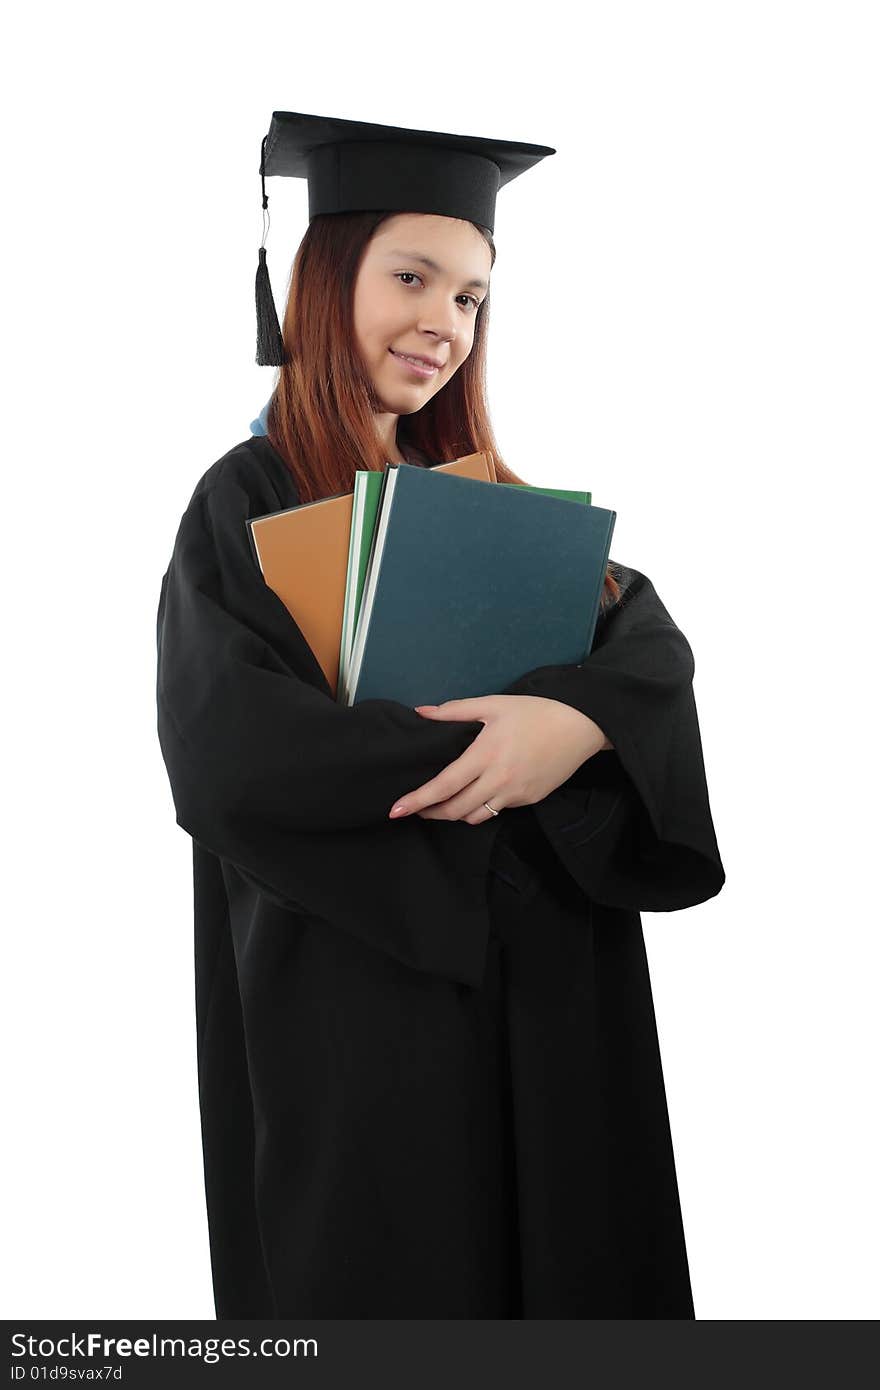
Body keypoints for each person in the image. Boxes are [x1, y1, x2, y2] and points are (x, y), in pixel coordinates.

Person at [155, 111, 726, 1319]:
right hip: (357, 992)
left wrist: (566, 726)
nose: (444, 322)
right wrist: (494, 748)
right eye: (411, 278)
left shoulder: (489, 503)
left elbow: (648, 645)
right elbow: (230, 753)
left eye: (470, 298)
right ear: (322, 281)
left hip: (548, 985)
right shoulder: (244, 495)